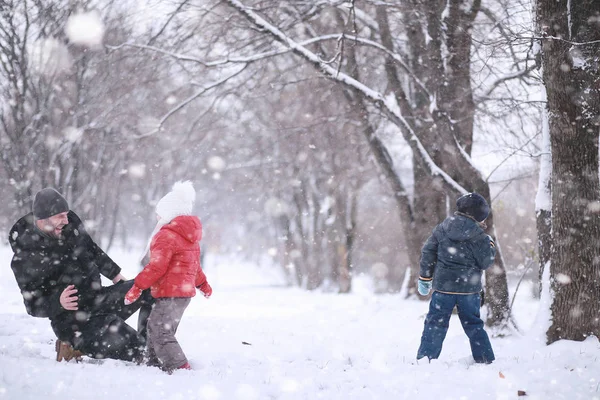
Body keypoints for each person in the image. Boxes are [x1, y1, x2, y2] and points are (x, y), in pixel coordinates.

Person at [9, 188, 154, 362]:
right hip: (74, 324)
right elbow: (32, 305)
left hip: (98, 299)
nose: (66, 220)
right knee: (137, 350)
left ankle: (150, 344)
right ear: (42, 219)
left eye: (66, 214)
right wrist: (58, 302)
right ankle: (72, 345)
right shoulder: (25, 257)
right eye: (59, 216)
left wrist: (114, 274)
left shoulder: (70, 224)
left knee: (149, 287)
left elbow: (91, 249)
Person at [124, 181, 212, 373]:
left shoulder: (166, 236)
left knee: (160, 331)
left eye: (160, 212)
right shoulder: (189, 238)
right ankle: (154, 363)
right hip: (183, 295)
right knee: (157, 328)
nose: (157, 216)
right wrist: (203, 284)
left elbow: (156, 267)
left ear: (169, 213)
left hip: (170, 293)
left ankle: (180, 367)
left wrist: (137, 286)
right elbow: (194, 267)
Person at [416, 192, 496, 364]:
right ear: (477, 215)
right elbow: (485, 262)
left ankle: (426, 359)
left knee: (435, 324)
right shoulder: (480, 236)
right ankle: (484, 359)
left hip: (443, 288)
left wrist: (425, 277)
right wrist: (490, 245)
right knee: (474, 324)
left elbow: (428, 252)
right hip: (469, 290)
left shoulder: (442, 228)